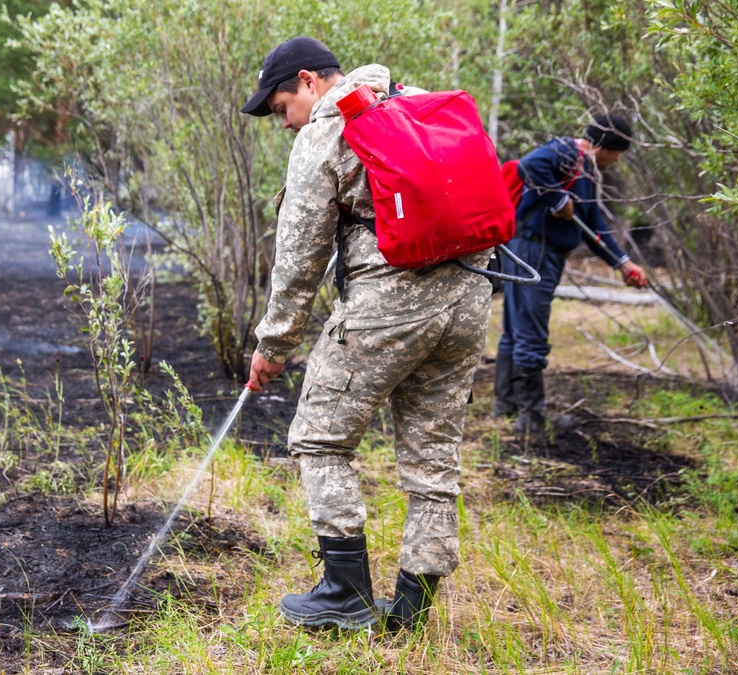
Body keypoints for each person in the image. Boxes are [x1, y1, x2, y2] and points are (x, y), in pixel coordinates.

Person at [241, 37, 492, 632]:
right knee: (433, 457)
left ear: (308, 81)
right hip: (470, 295)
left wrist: (273, 346)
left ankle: (345, 593)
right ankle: (412, 608)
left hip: (391, 304)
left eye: (280, 107)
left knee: (319, 438)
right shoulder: (415, 102)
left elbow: (299, 259)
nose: (283, 122)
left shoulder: (326, 131)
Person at [493, 116, 648, 436]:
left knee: (517, 328)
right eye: (617, 153)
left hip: (538, 252)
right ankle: (532, 420)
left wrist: (623, 264)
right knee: (529, 333)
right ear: (605, 146)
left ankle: (506, 406)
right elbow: (530, 164)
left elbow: (594, 229)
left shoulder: (587, 172)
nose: (617, 160)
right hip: (532, 251)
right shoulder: (567, 152)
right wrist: (558, 199)